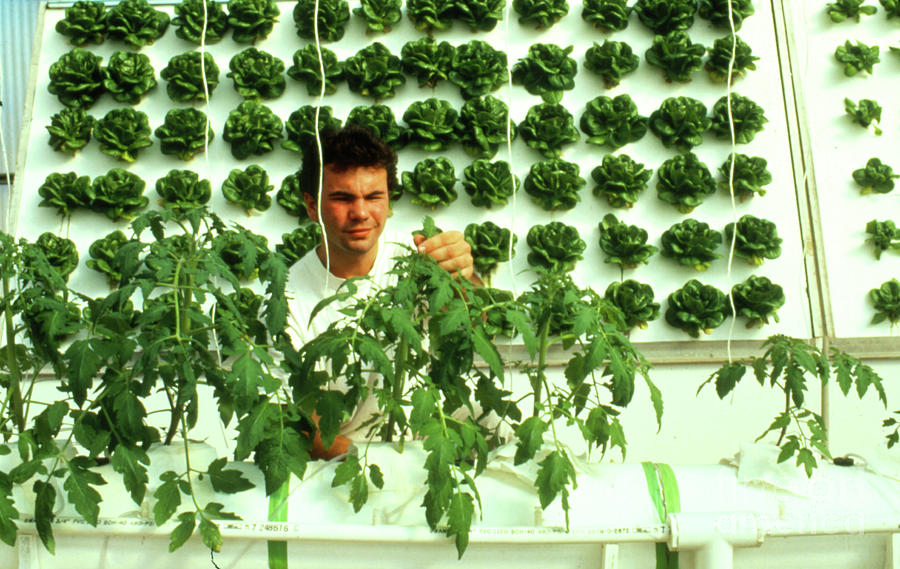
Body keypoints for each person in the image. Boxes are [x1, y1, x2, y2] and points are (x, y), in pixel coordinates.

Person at [286, 125, 479, 459]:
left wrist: (463, 282)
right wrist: (384, 465)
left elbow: (472, 326)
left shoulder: (418, 259)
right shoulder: (286, 300)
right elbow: (301, 428)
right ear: (311, 206)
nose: (361, 212)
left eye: (373, 197)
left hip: (432, 436)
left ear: (388, 201)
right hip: (345, 463)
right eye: (342, 198)